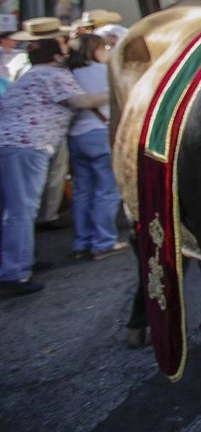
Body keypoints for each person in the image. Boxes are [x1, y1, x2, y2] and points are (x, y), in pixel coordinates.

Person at [0, 18, 109, 295]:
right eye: (63, 44)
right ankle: (15, 273)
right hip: (29, 146)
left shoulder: (32, 74)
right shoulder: (53, 75)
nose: (68, 47)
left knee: (13, 209)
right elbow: (81, 102)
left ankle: (20, 261)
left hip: (14, 145)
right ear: (55, 51)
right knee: (21, 211)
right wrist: (116, 91)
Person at [65, 34, 126, 261]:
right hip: (100, 132)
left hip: (76, 135)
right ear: (95, 49)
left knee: (82, 191)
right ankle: (103, 241)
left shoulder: (70, 73)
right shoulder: (104, 72)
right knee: (106, 190)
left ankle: (81, 241)